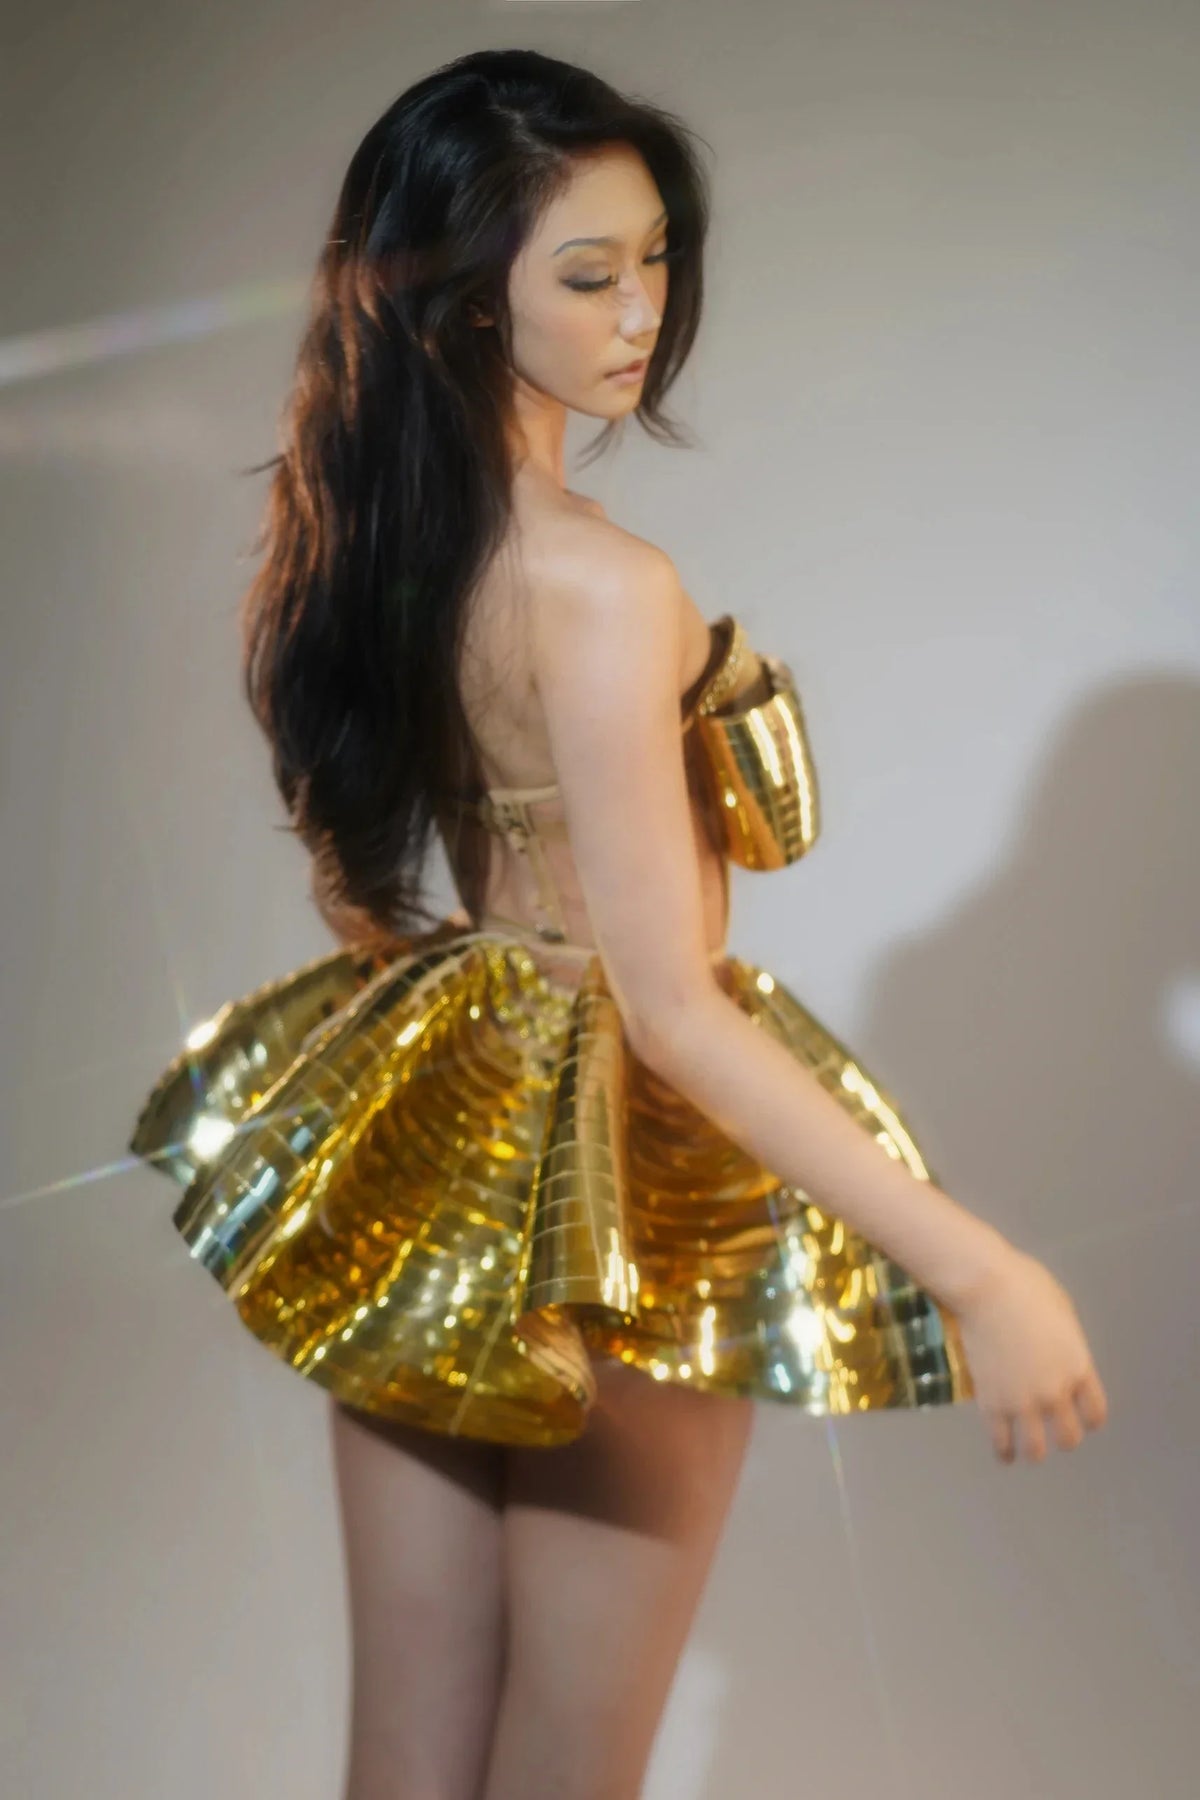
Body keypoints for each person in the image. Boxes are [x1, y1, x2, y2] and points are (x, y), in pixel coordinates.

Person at [129, 47, 1108, 1800]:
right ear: (463, 298)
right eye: (590, 275)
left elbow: (391, 888)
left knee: (405, 1762)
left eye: (655, 259)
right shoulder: (600, 588)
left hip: (447, 1145)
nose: (642, 310)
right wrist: (980, 1268)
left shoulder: (381, 551)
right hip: (617, 1187)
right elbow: (671, 1010)